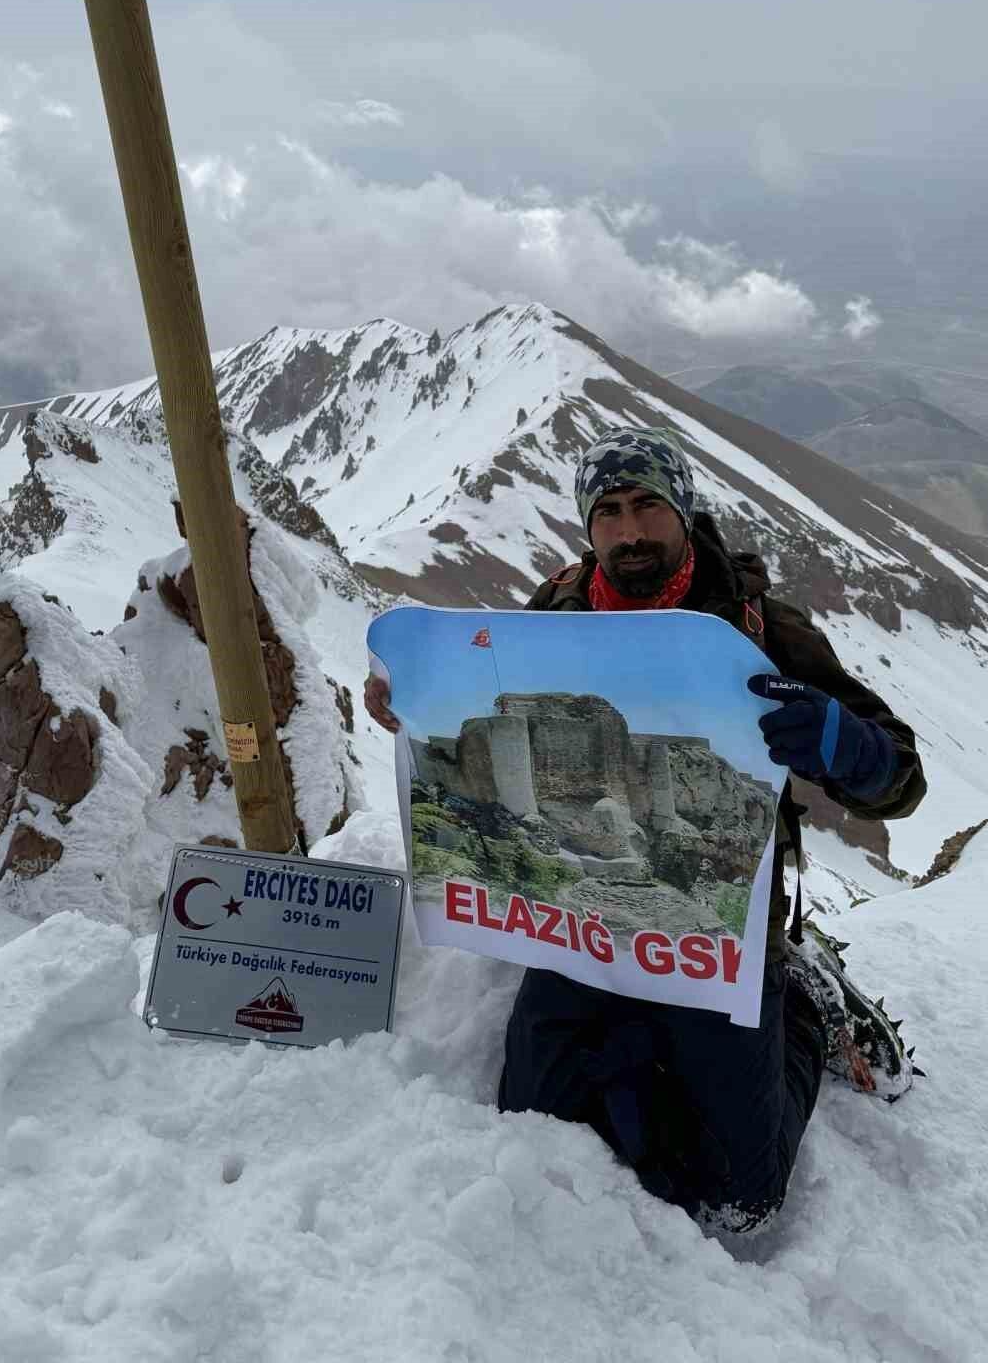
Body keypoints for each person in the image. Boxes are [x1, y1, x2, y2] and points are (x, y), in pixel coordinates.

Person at [364, 426, 927, 1232]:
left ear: (683, 510)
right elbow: (475, 705)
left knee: (743, 1198)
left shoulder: (760, 626)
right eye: (609, 513)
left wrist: (843, 741)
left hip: (719, 939)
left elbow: (901, 783)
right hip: (576, 925)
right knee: (530, 1127)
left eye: (647, 507)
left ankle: (806, 1010)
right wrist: (406, 702)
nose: (629, 532)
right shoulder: (555, 610)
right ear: (586, 527)